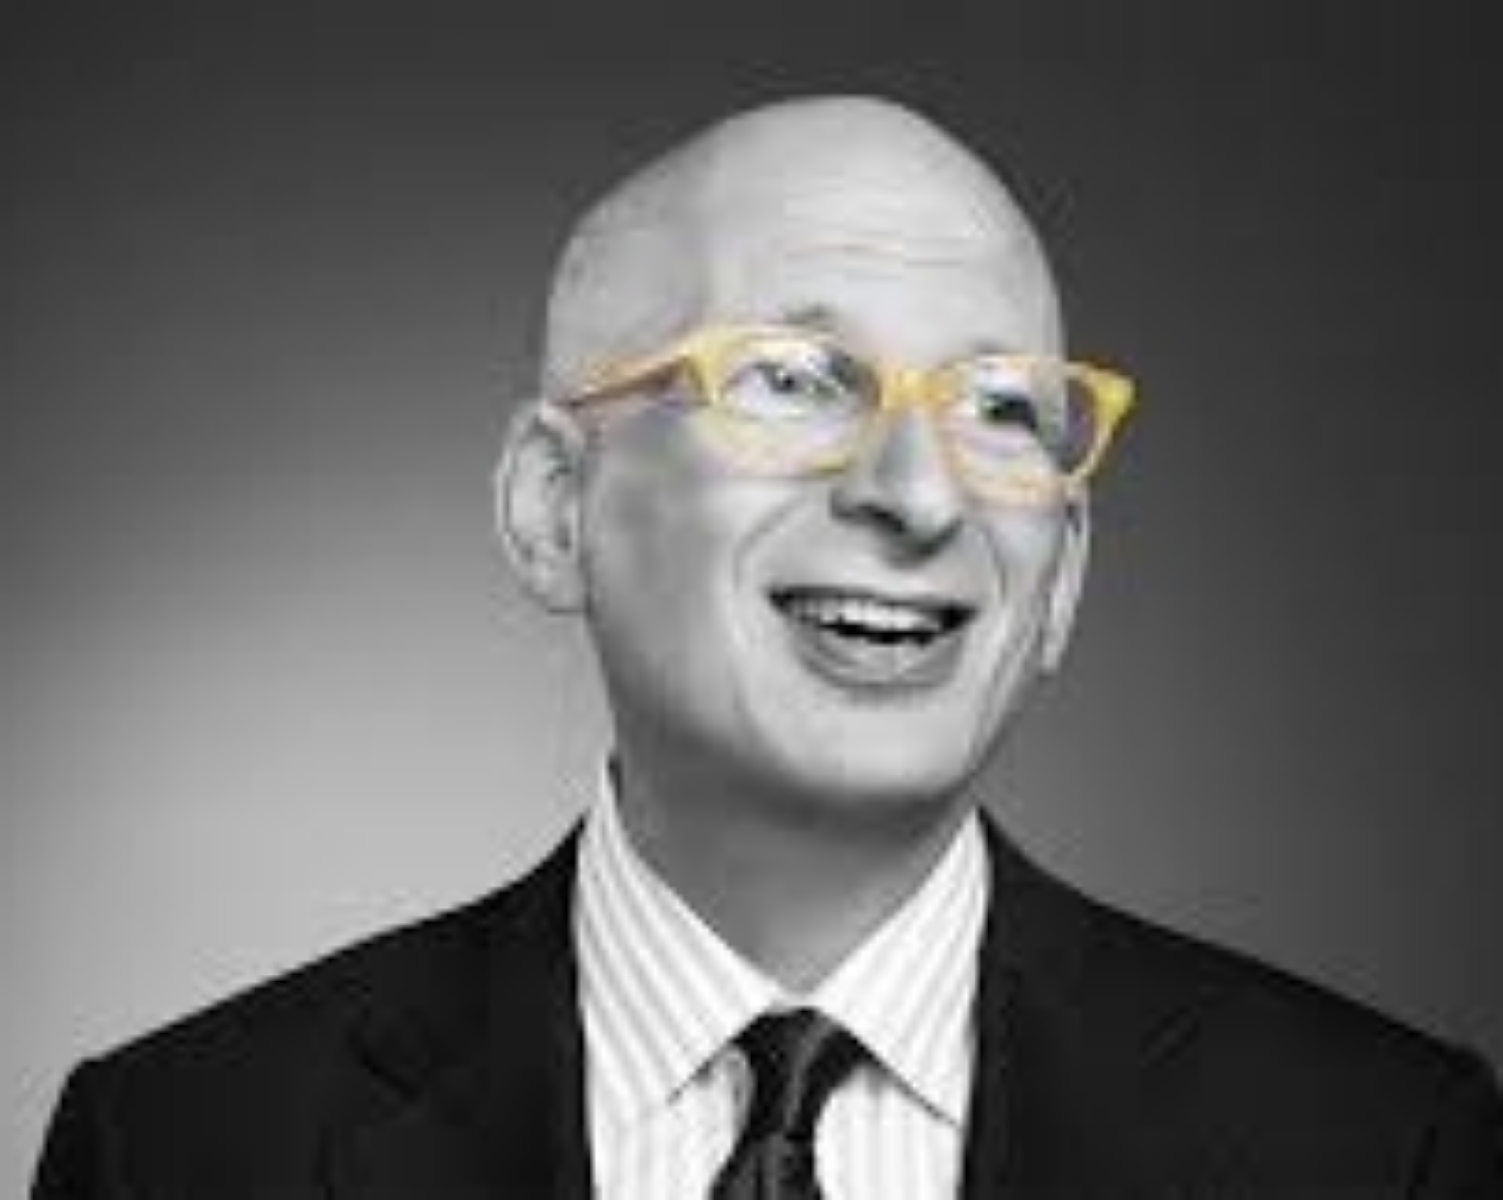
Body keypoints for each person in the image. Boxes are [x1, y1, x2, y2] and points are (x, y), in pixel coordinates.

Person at [32, 95, 1503, 1198]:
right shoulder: (177, 1148)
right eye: (795, 380)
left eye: (1000, 407)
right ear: (555, 507)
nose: (917, 495)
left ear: (1063, 576)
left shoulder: (1388, 1151)